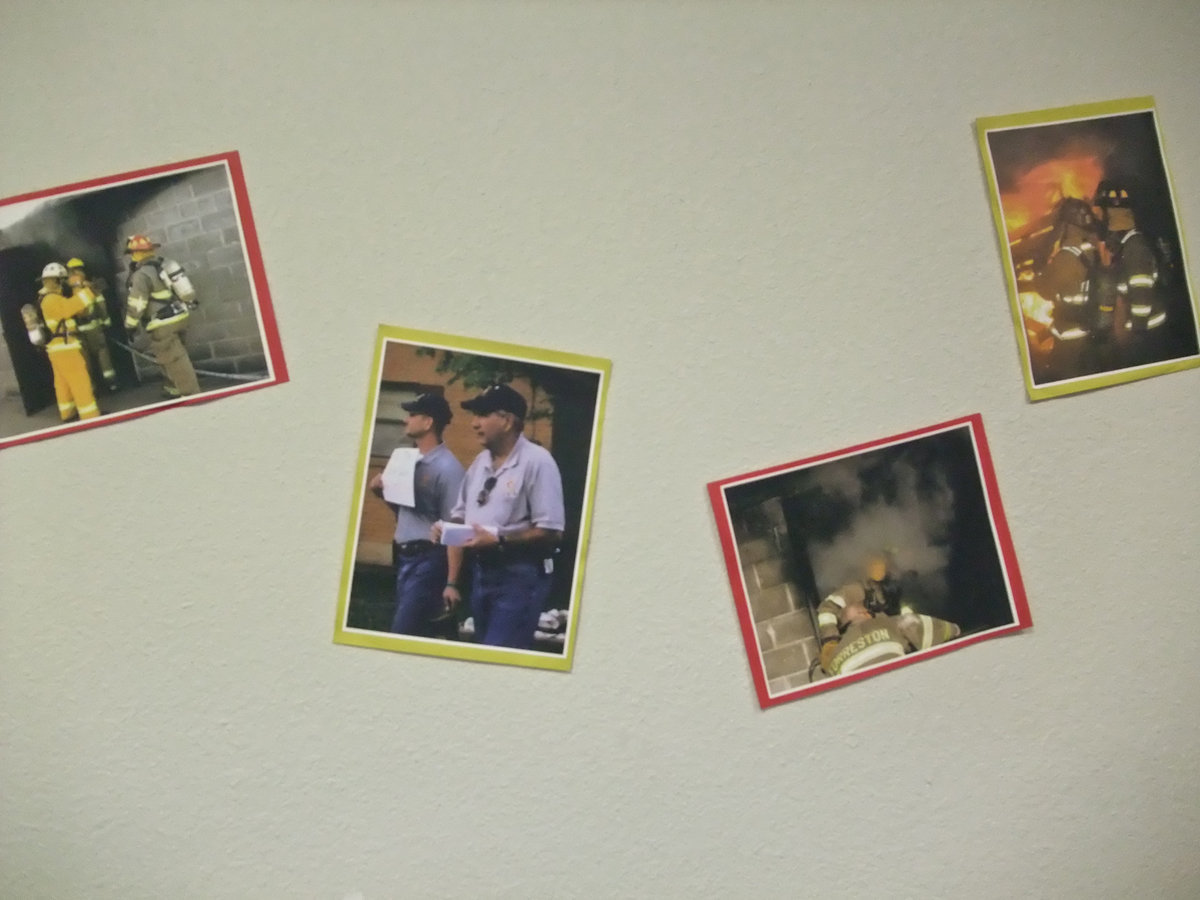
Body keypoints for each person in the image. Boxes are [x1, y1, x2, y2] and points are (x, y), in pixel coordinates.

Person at [432, 383, 565, 649]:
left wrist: (499, 538)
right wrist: (446, 529)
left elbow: (551, 531)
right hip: (481, 574)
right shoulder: (479, 463)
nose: (474, 423)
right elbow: (461, 516)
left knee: (498, 653)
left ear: (506, 421)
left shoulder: (537, 462)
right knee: (483, 651)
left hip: (519, 577)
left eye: (482, 415)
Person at [367, 393, 465, 637]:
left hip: (429, 558)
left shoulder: (447, 468)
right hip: (404, 557)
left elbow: (455, 527)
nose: (405, 421)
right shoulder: (407, 461)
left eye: (412, 415)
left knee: (403, 631)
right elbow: (407, 514)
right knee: (421, 631)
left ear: (428, 422)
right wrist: (383, 494)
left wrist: (452, 582)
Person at [121, 234, 200, 398]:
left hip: (162, 324)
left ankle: (192, 396)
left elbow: (137, 304)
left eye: (132, 253)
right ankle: (173, 389)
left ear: (135, 253)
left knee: (175, 361)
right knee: (168, 357)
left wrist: (130, 326)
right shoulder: (163, 265)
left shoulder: (141, 275)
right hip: (180, 316)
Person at [816, 553, 908, 673]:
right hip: (855, 647)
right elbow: (826, 610)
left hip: (885, 648)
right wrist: (830, 641)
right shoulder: (853, 590)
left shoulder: (894, 594)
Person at [816, 603, 961, 678]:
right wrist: (955, 630)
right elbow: (919, 625)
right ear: (865, 614)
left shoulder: (833, 658)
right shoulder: (884, 624)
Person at [37, 262, 100, 422]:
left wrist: (79, 290)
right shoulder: (50, 299)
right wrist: (88, 292)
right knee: (80, 381)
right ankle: (90, 416)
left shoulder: (50, 298)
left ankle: (68, 413)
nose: (65, 283)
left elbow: (78, 310)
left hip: (59, 348)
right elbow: (69, 308)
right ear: (56, 281)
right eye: (63, 280)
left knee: (63, 384)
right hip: (65, 348)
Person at [66, 257, 118, 392]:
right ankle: (112, 384)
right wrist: (106, 321)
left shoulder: (66, 288)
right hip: (94, 327)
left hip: (78, 330)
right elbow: (101, 304)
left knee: (85, 361)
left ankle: (91, 388)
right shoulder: (90, 285)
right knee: (103, 356)